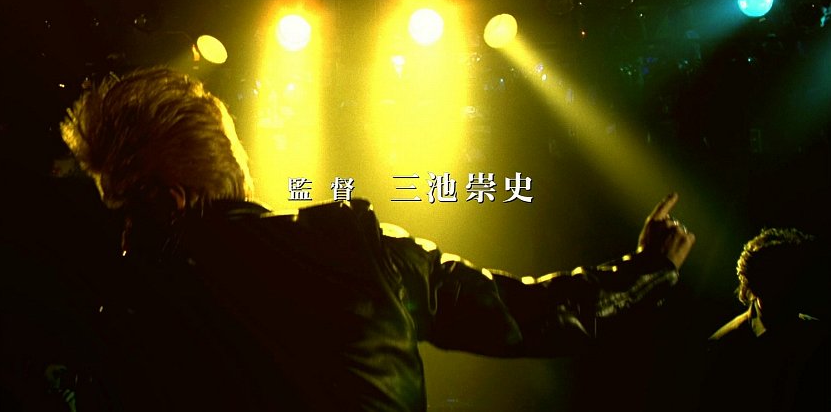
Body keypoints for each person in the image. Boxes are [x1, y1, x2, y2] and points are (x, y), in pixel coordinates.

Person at [55, 66, 695, 411]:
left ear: (171, 200)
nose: (123, 237)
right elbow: (531, 314)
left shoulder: (124, 317)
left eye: (124, 212)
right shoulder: (363, 248)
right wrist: (650, 267)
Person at [701, 228, 830, 412]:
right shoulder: (725, 347)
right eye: (786, 275)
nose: (796, 282)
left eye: (799, 272)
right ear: (757, 282)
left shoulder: (817, 334)